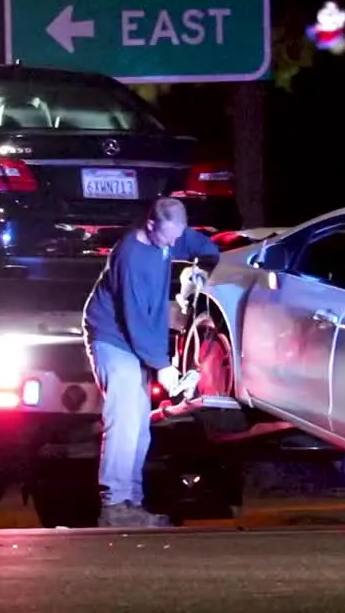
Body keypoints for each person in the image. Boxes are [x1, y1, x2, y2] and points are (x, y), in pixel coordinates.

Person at [82, 197, 221, 527]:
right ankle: (114, 505)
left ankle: (132, 502)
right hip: (113, 338)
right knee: (125, 421)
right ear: (150, 225)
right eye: (168, 237)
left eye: (178, 235)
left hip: (136, 341)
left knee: (140, 427)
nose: (174, 244)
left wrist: (203, 266)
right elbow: (135, 321)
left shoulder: (170, 235)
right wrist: (163, 366)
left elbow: (198, 244)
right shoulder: (129, 258)